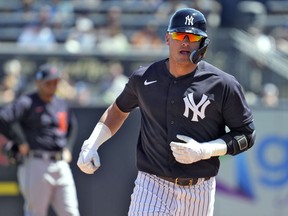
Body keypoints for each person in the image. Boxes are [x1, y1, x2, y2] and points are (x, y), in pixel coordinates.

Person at [77, 8, 256, 216]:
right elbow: (118, 110)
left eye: (193, 37)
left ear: (203, 44)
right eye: (180, 35)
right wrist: (92, 142)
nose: (186, 42)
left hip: (200, 189)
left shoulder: (222, 85)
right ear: (168, 39)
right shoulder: (144, 78)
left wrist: (205, 150)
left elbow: (246, 134)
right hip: (152, 184)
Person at [0, 64, 80, 216]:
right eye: (48, 82)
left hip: (60, 163)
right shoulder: (27, 102)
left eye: (55, 82)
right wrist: (19, 141)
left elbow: (73, 125)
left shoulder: (60, 103)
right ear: (38, 82)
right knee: (36, 213)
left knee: (71, 212)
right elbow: (3, 118)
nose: (52, 86)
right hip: (36, 162)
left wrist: (68, 147)